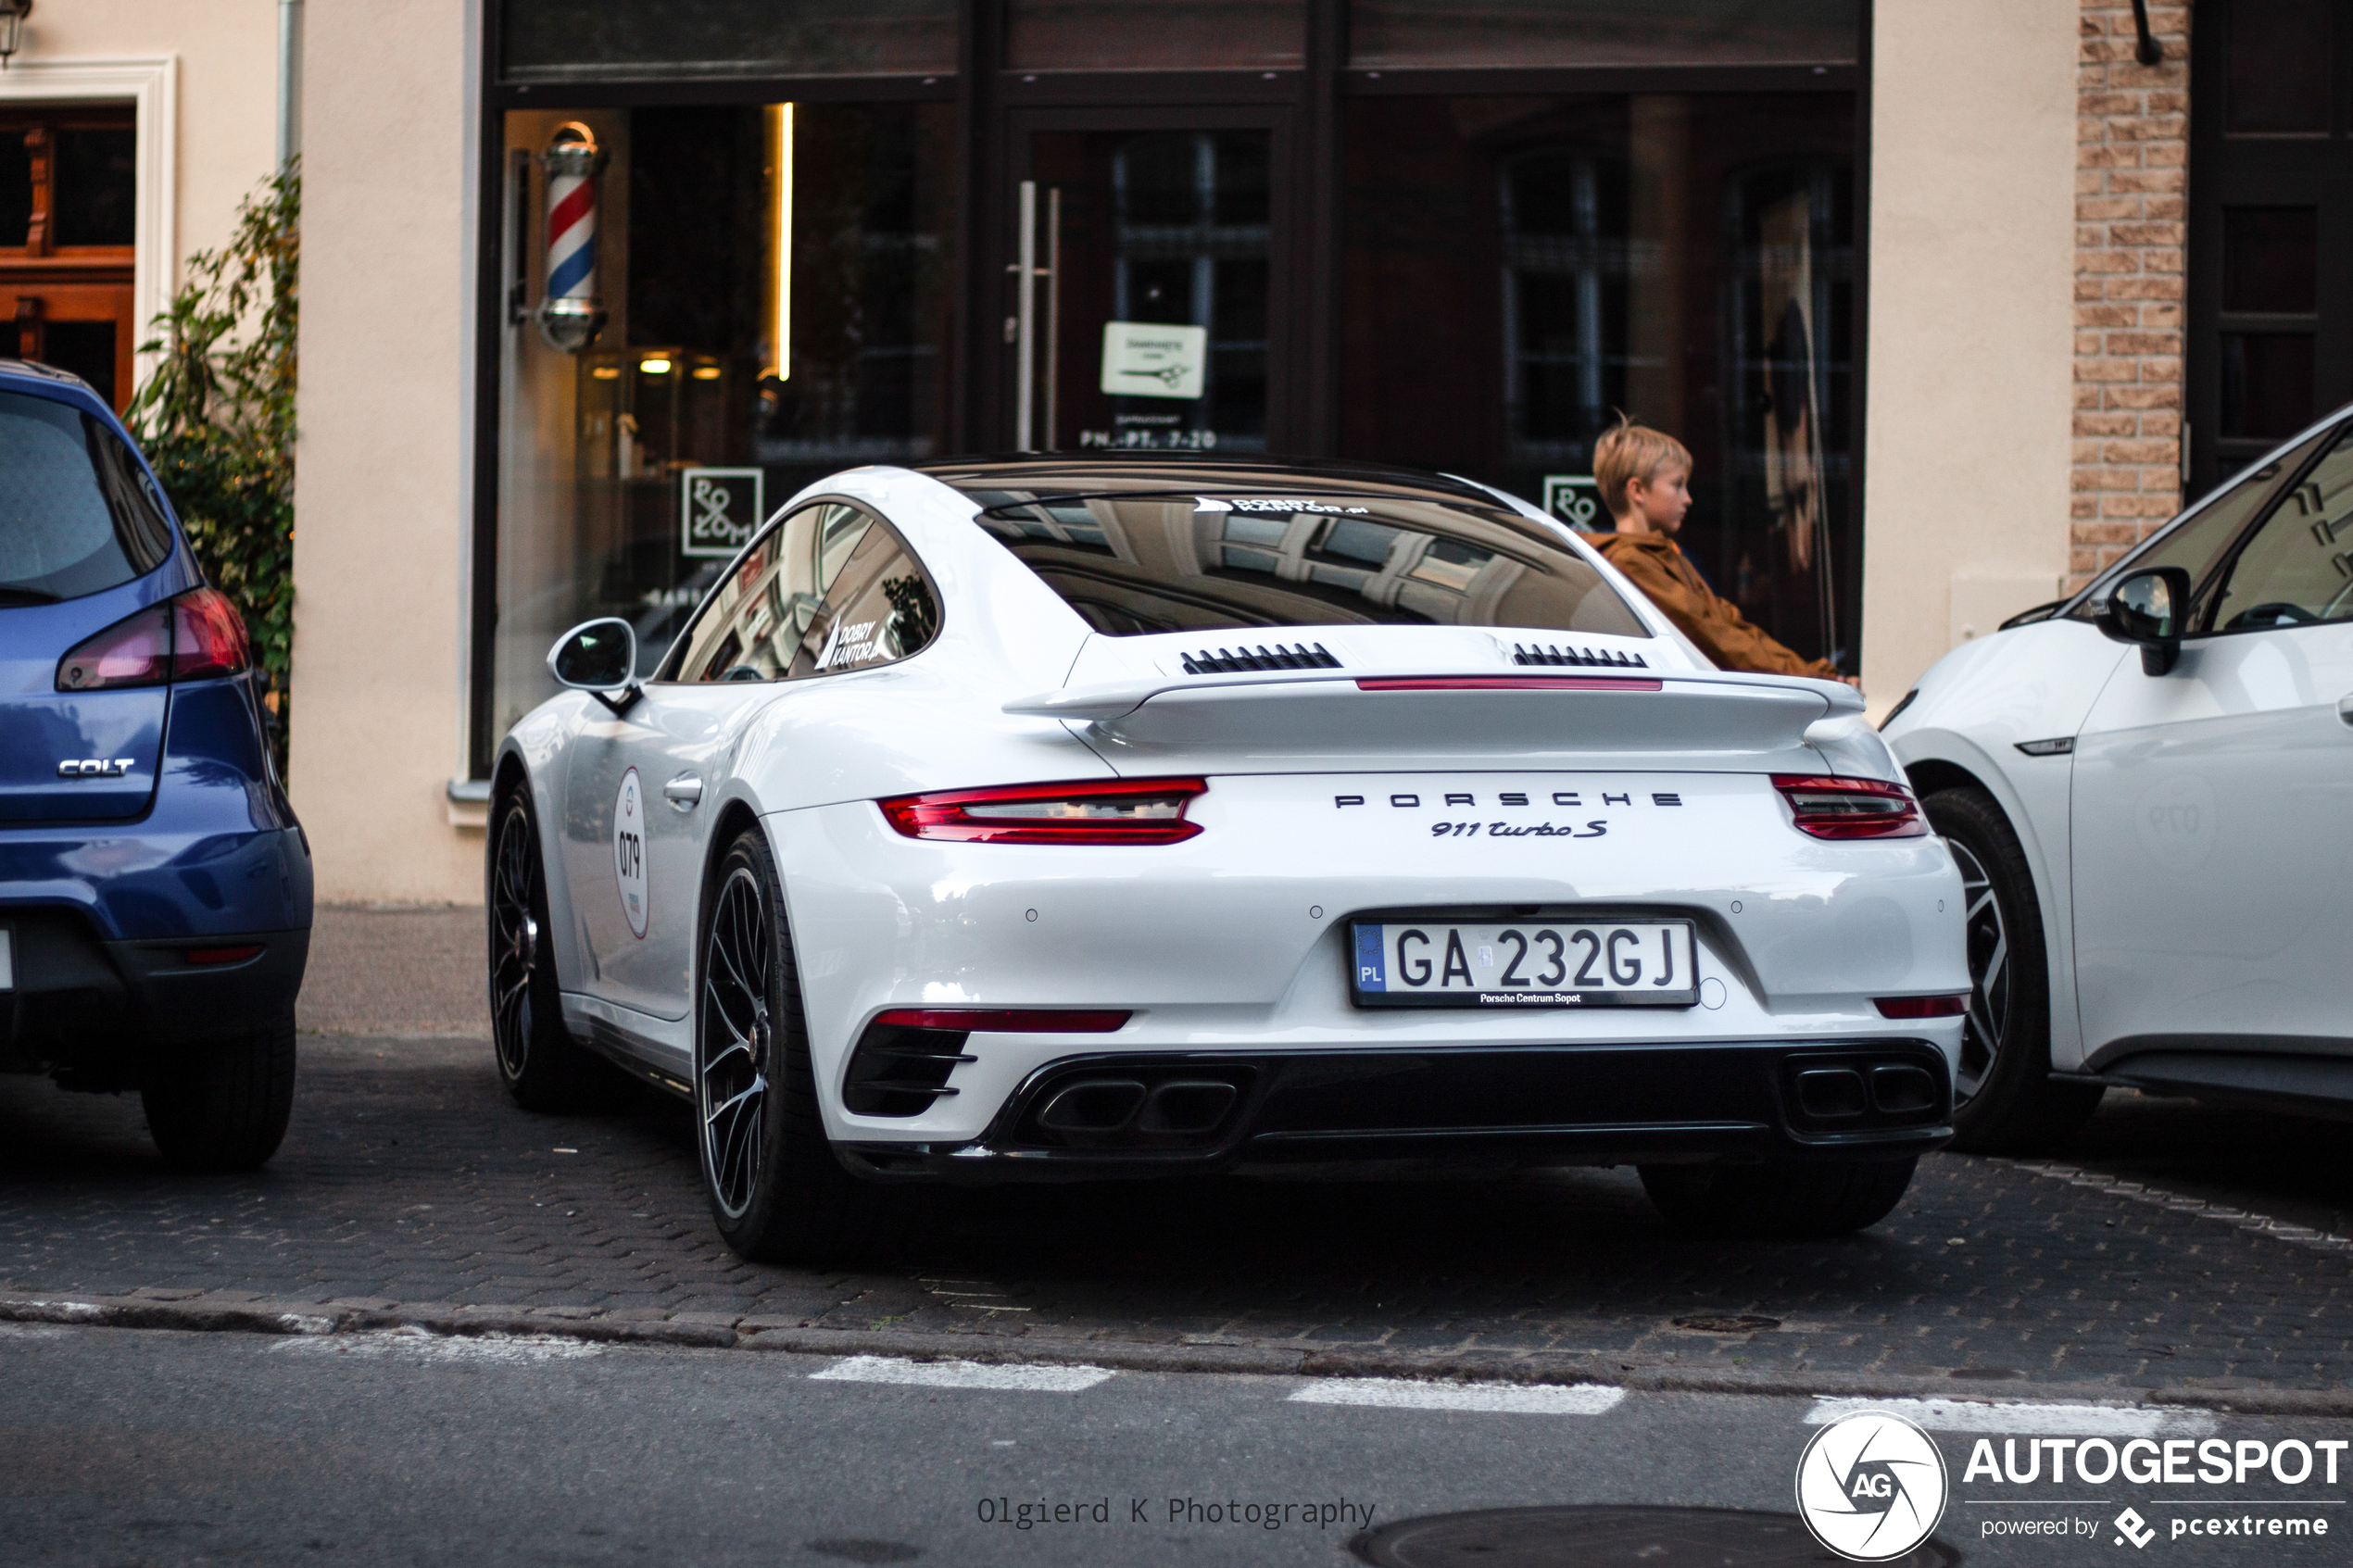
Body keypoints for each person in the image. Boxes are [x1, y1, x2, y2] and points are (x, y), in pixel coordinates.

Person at [1587, 420, 1855, 685]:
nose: (1687, 498)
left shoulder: (1662, 555)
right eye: (1677, 485)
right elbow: (1714, 637)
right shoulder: (1631, 561)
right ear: (1637, 490)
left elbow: (1730, 627)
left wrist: (1813, 674)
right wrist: (1813, 678)